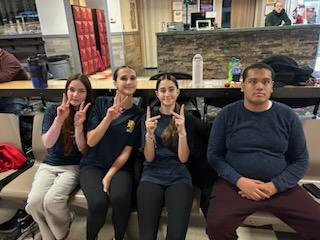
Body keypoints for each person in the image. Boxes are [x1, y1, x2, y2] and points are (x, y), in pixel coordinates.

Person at [206, 63, 320, 240]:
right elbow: (214, 156)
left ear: (272, 86)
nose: (259, 86)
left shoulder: (288, 116)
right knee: (216, 226)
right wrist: (240, 181)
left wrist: (275, 186)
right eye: (253, 81)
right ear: (242, 86)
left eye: (265, 82)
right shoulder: (226, 115)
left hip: (279, 186)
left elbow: (300, 159)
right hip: (235, 185)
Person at [80, 66, 144, 240]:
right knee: (98, 203)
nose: (129, 82)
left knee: (121, 199)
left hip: (120, 167)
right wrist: (108, 118)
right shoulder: (101, 103)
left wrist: (109, 175)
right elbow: (91, 141)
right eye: (124, 78)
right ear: (115, 83)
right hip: (92, 164)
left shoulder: (139, 115)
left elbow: (127, 151)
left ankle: (119, 237)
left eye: (132, 78)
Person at [25, 74, 92, 240]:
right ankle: (54, 234)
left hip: (73, 167)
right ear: (65, 91)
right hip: (49, 164)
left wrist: (78, 127)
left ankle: (61, 231)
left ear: (87, 94)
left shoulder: (89, 113)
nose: (75, 95)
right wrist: (59, 119)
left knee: (51, 202)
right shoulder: (53, 110)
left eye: (81, 91)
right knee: (33, 203)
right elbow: (47, 143)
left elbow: (84, 150)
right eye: (71, 89)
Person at [137, 74, 202, 240]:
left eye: (171, 89)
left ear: (178, 92)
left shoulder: (188, 119)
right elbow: (149, 158)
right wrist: (149, 135)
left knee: (176, 236)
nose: (167, 94)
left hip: (179, 177)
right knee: (146, 235)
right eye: (163, 90)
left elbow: (183, 159)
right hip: (152, 175)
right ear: (157, 94)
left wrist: (182, 133)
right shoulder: (149, 118)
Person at [0, 48, 29, 114]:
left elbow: (4, 77)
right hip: (2, 95)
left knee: (12, 112)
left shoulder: (9, 59)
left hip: (15, 96)